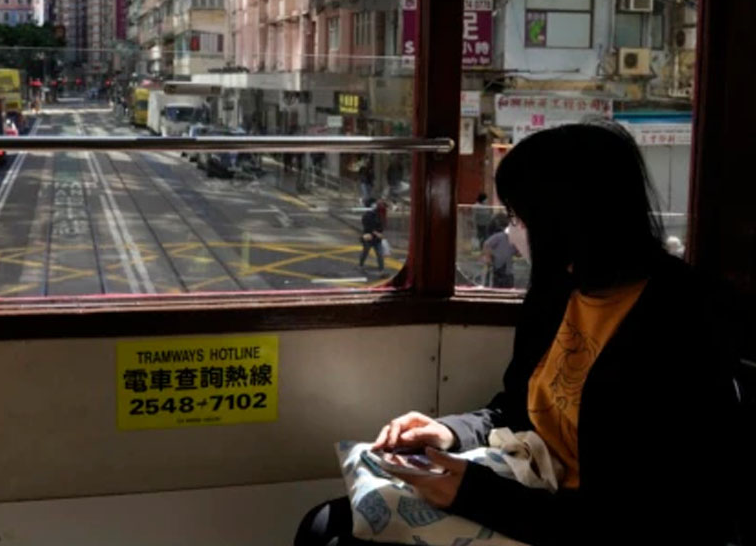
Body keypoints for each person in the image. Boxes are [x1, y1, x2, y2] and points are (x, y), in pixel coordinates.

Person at [297, 121, 741, 546]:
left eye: (520, 217)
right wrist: (448, 432)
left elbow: (645, 514)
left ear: (568, 220)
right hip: (535, 491)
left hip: (593, 525)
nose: (513, 232)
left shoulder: (688, 317)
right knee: (326, 524)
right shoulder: (556, 293)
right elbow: (516, 407)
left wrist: (473, 493)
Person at [481, 214, 516, 288]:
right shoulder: (500, 236)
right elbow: (487, 244)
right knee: (497, 282)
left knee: (507, 282)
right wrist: (488, 256)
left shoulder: (513, 239)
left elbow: (517, 252)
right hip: (498, 267)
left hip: (507, 269)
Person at [357, 197, 385, 274]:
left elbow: (380, 224)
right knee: (365, 252)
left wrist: (381, 232)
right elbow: (368, 227)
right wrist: (377, 233)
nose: (376, 204)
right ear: (371, 205)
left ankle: (381, 270)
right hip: (368, 238)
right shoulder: (366, 215)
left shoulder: (376, 213)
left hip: (377, 238)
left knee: (380, 254)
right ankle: (360, 265)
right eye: (375, 203)